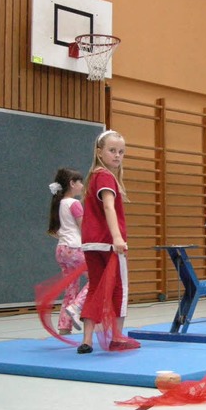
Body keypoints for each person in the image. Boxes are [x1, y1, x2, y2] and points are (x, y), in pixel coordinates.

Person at [78, 130, 140, 354]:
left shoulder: (94, 176)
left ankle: (87, 340)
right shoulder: (105, 176)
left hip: (91, 243)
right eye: (112, 151)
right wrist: (116, 237)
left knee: (95, 288)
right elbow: (108, 206)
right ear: (99, 152)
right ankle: (116, 336)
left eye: (121, 152)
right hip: (108, 243)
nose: (117, 156)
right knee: (119, 288)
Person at [47, 168, 89, 335]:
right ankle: (76, 306)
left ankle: (64, 327)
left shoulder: (59, 203)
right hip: (75, 248)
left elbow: (56, 230)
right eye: (80, 182)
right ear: (72, 184)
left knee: (70, 288)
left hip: (62, 249)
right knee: (98, 278)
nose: (82, 185)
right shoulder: (74, 203)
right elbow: (83, 227)